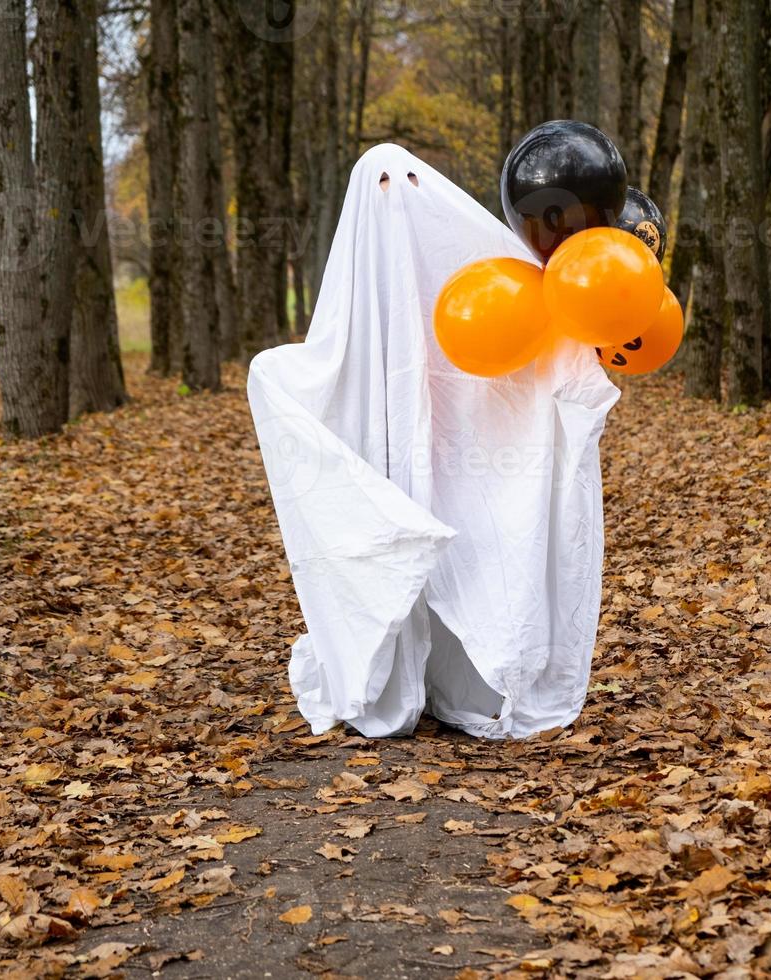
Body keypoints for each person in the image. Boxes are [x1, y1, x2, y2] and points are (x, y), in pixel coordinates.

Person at [248, 144, 619, 740]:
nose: (394, 200)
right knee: (392, 545)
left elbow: (500, 336)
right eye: (384, 187)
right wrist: (276, 377)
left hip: (450, 455)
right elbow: (331, 362)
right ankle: (390, 671)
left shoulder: (465, 269)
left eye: (406, 185)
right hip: (384, 440)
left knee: (466, 549)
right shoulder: (360, 290)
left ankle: (463, 675)